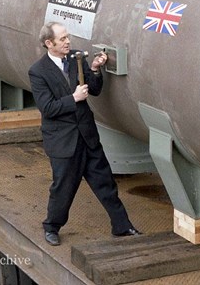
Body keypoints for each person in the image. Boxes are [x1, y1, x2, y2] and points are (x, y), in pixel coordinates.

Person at [28, 21, 140, 246]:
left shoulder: (77, 58)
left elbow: (95, 90)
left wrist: (96, 69)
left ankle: (121, 225)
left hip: (87, 136)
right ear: (49, 43)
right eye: (62, 39)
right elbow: (48, 108)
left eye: (68, 37)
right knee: (63, 187)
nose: (68, 41)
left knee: (105, 182)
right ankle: (51, 227)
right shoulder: (38, 72)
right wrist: (74, 99)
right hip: (63, 141)